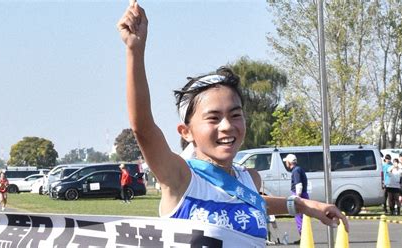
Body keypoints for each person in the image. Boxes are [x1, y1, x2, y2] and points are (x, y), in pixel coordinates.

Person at [116, 2, 348, 245]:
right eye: (213, 118)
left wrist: (303, 205)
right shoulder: (179, 178)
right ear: (186, 132)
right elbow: (143, 127)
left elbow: (250, 202)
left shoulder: (251, 179)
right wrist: (135, 50)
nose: (227, 126)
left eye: (235, 114)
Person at [283, 154, 309, 244]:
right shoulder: (299, 169)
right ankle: (304, 237)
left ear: (289, 162)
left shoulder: (296, 171)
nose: (285, 163)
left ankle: (303, 237)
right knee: (302, 217)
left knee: (299, 218)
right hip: (303, 194)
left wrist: (297, 197)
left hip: (299, 195)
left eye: (286, 161)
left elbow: (298, 184)